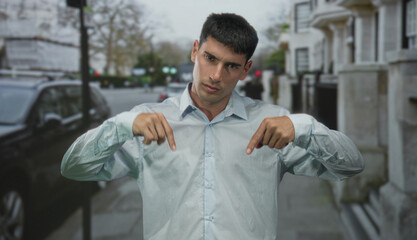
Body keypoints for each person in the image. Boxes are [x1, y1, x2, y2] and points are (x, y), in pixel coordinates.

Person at [61, 13, 364, 240]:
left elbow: (350, 166)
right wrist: (122, 125)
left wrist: (304, 127)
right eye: (210, 58)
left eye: (231, 65)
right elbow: (74, 168)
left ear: (245, 70)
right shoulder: (147, 122)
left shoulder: (271, 124)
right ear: (195, 51)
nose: (216, 75)